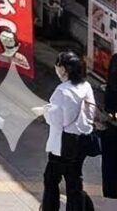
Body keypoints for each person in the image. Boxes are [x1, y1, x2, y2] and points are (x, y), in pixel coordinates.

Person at [46, 49, 99, 211]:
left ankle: (50, 208)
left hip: (64, 140)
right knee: (74, 180)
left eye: (58, 65)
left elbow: (59, 119)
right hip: (82, 137)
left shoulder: (63, 91)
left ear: (64, 69)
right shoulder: (86, 86)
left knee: (51, 178)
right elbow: (90, 113)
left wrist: (46, 111)